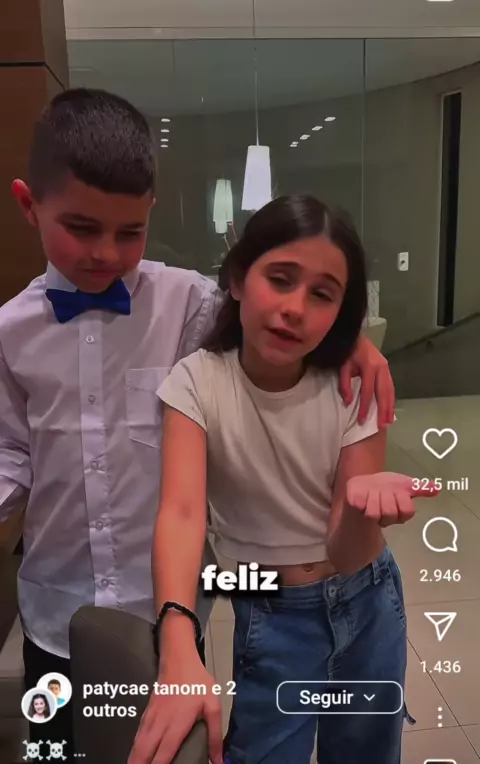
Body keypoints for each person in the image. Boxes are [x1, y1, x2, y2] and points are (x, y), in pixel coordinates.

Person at [0, 88, 392, 760]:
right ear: (29, 205)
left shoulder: (186, 302)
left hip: (166, 605)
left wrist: (350, 336)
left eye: (130, 232)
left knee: (168, 750)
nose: (106, 253)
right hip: (54, 609)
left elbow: (275, 308)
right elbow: (11, 453)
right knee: (58, 751)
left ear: (151, 211)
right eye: (82, 228)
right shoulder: (9, 332)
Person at [129, 196, 439, 764]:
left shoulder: (352, 386)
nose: (295, 308)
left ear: (341, 311)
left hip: (367, 602)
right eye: (280, 279)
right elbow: (181, 514)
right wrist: (176, 640)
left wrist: (360, 510)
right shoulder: (195, 384)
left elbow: (348, 552)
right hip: (269, 609)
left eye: (322, 294)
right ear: (238, 279)